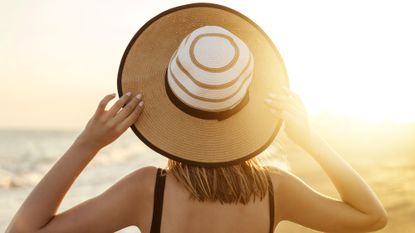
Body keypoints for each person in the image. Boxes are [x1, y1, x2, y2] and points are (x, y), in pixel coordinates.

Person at [6, 3, 387, 233]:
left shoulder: (146, 191)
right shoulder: (274, 190)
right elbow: (371, 217)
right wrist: (311, 138)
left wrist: (87, 143)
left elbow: (22, 231)